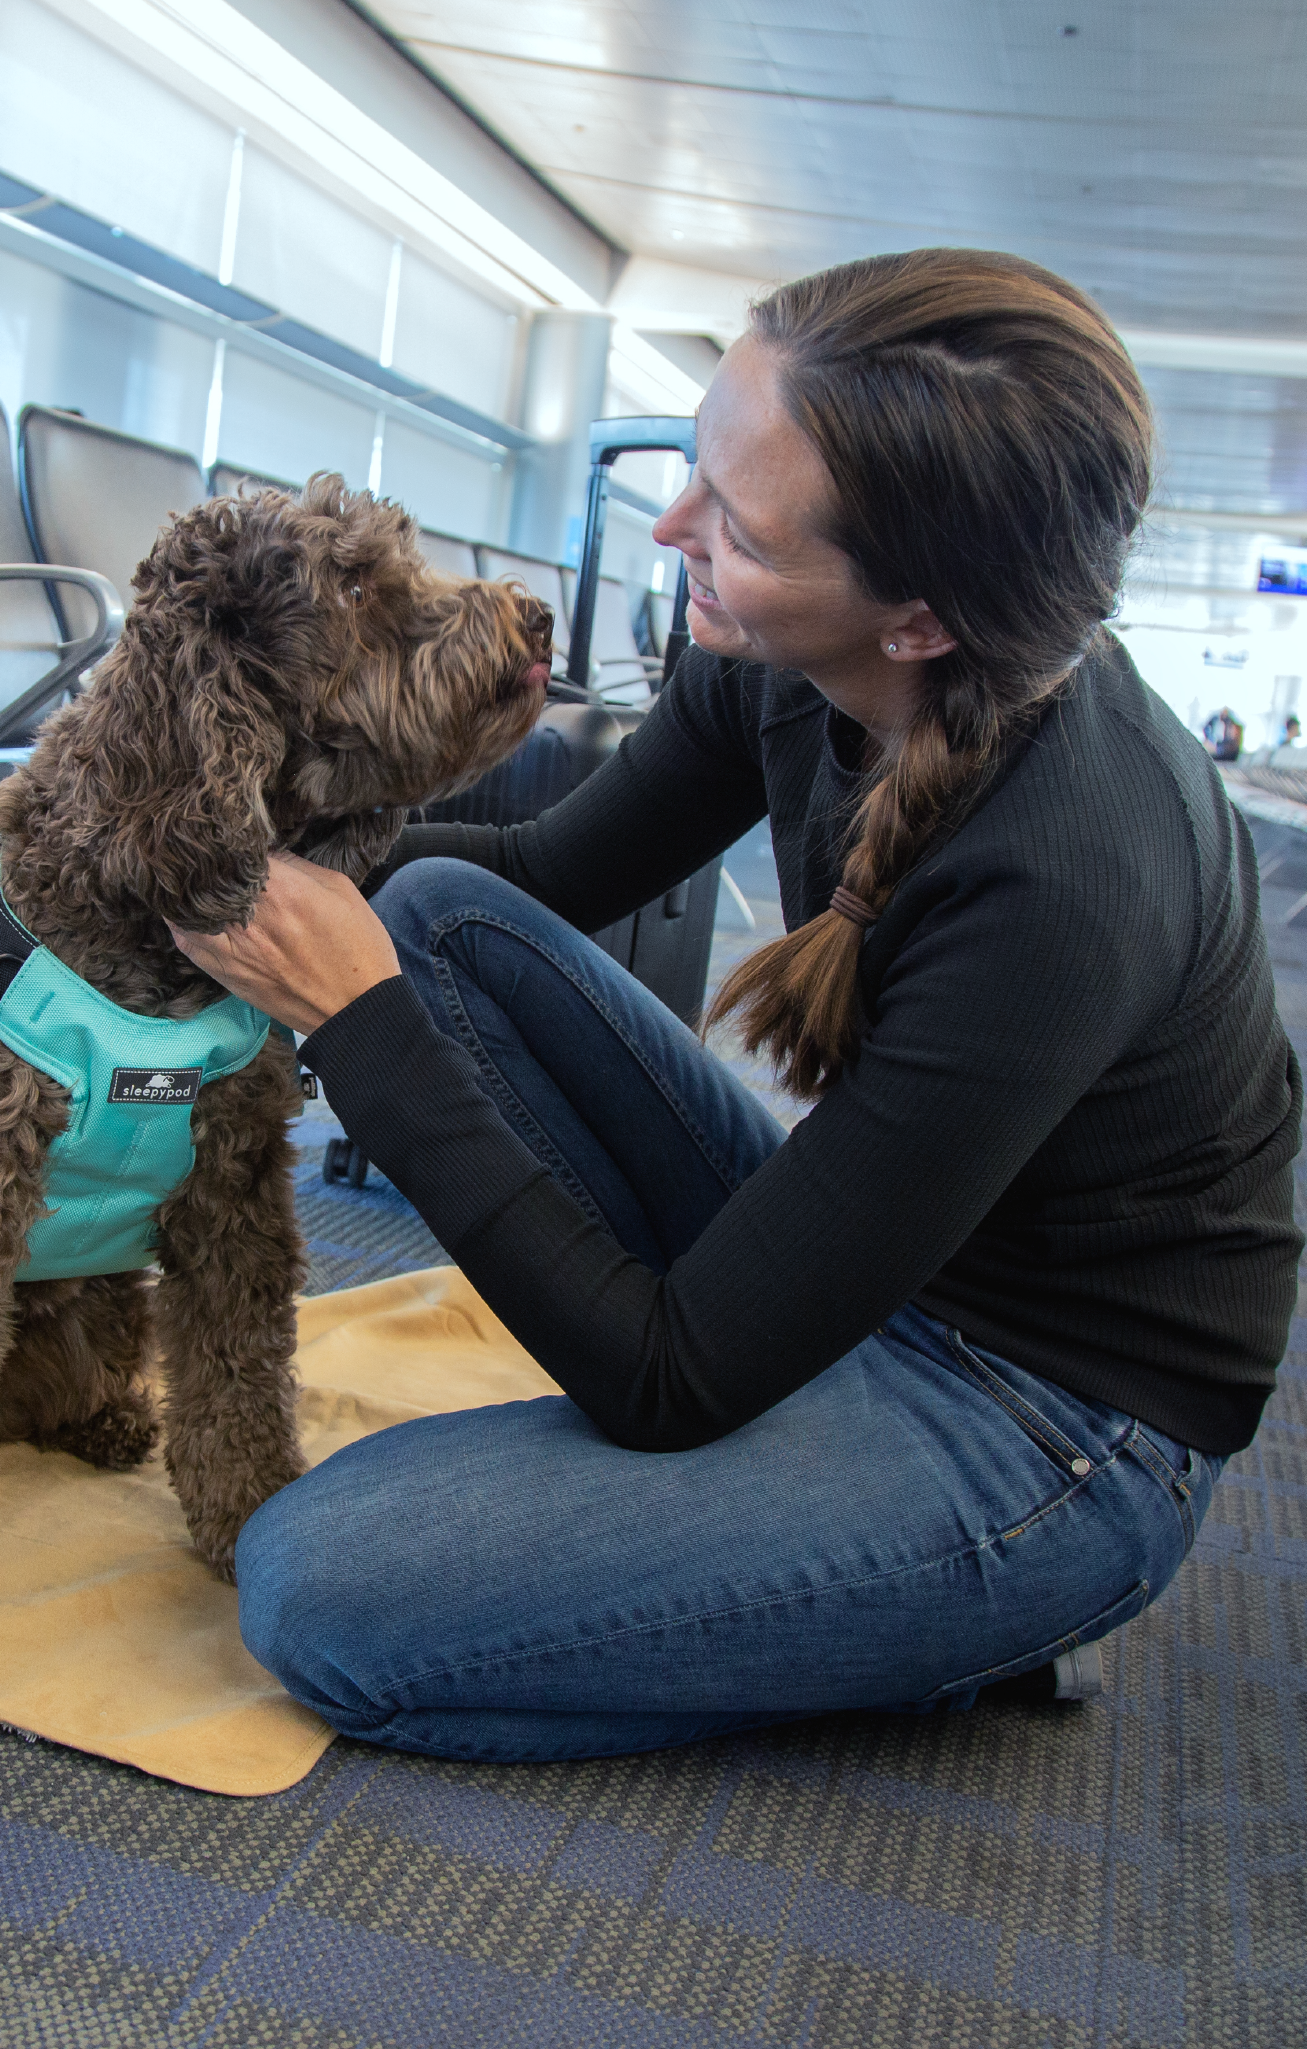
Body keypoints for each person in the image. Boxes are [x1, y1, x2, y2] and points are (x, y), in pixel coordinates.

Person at [171, 248, 1302, 1763]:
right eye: (697, 460)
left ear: (914, 622)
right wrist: (214, 845)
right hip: (878, 1269)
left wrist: (352, 1023)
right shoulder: (776, 651)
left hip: (1048, 1421)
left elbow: (668, 1378)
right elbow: (546, 870)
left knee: (321, 1589)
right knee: (436, 914)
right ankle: (811, 1568)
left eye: (742, 526)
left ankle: (938, 1615)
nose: (675, 527)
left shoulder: (1069, 874)